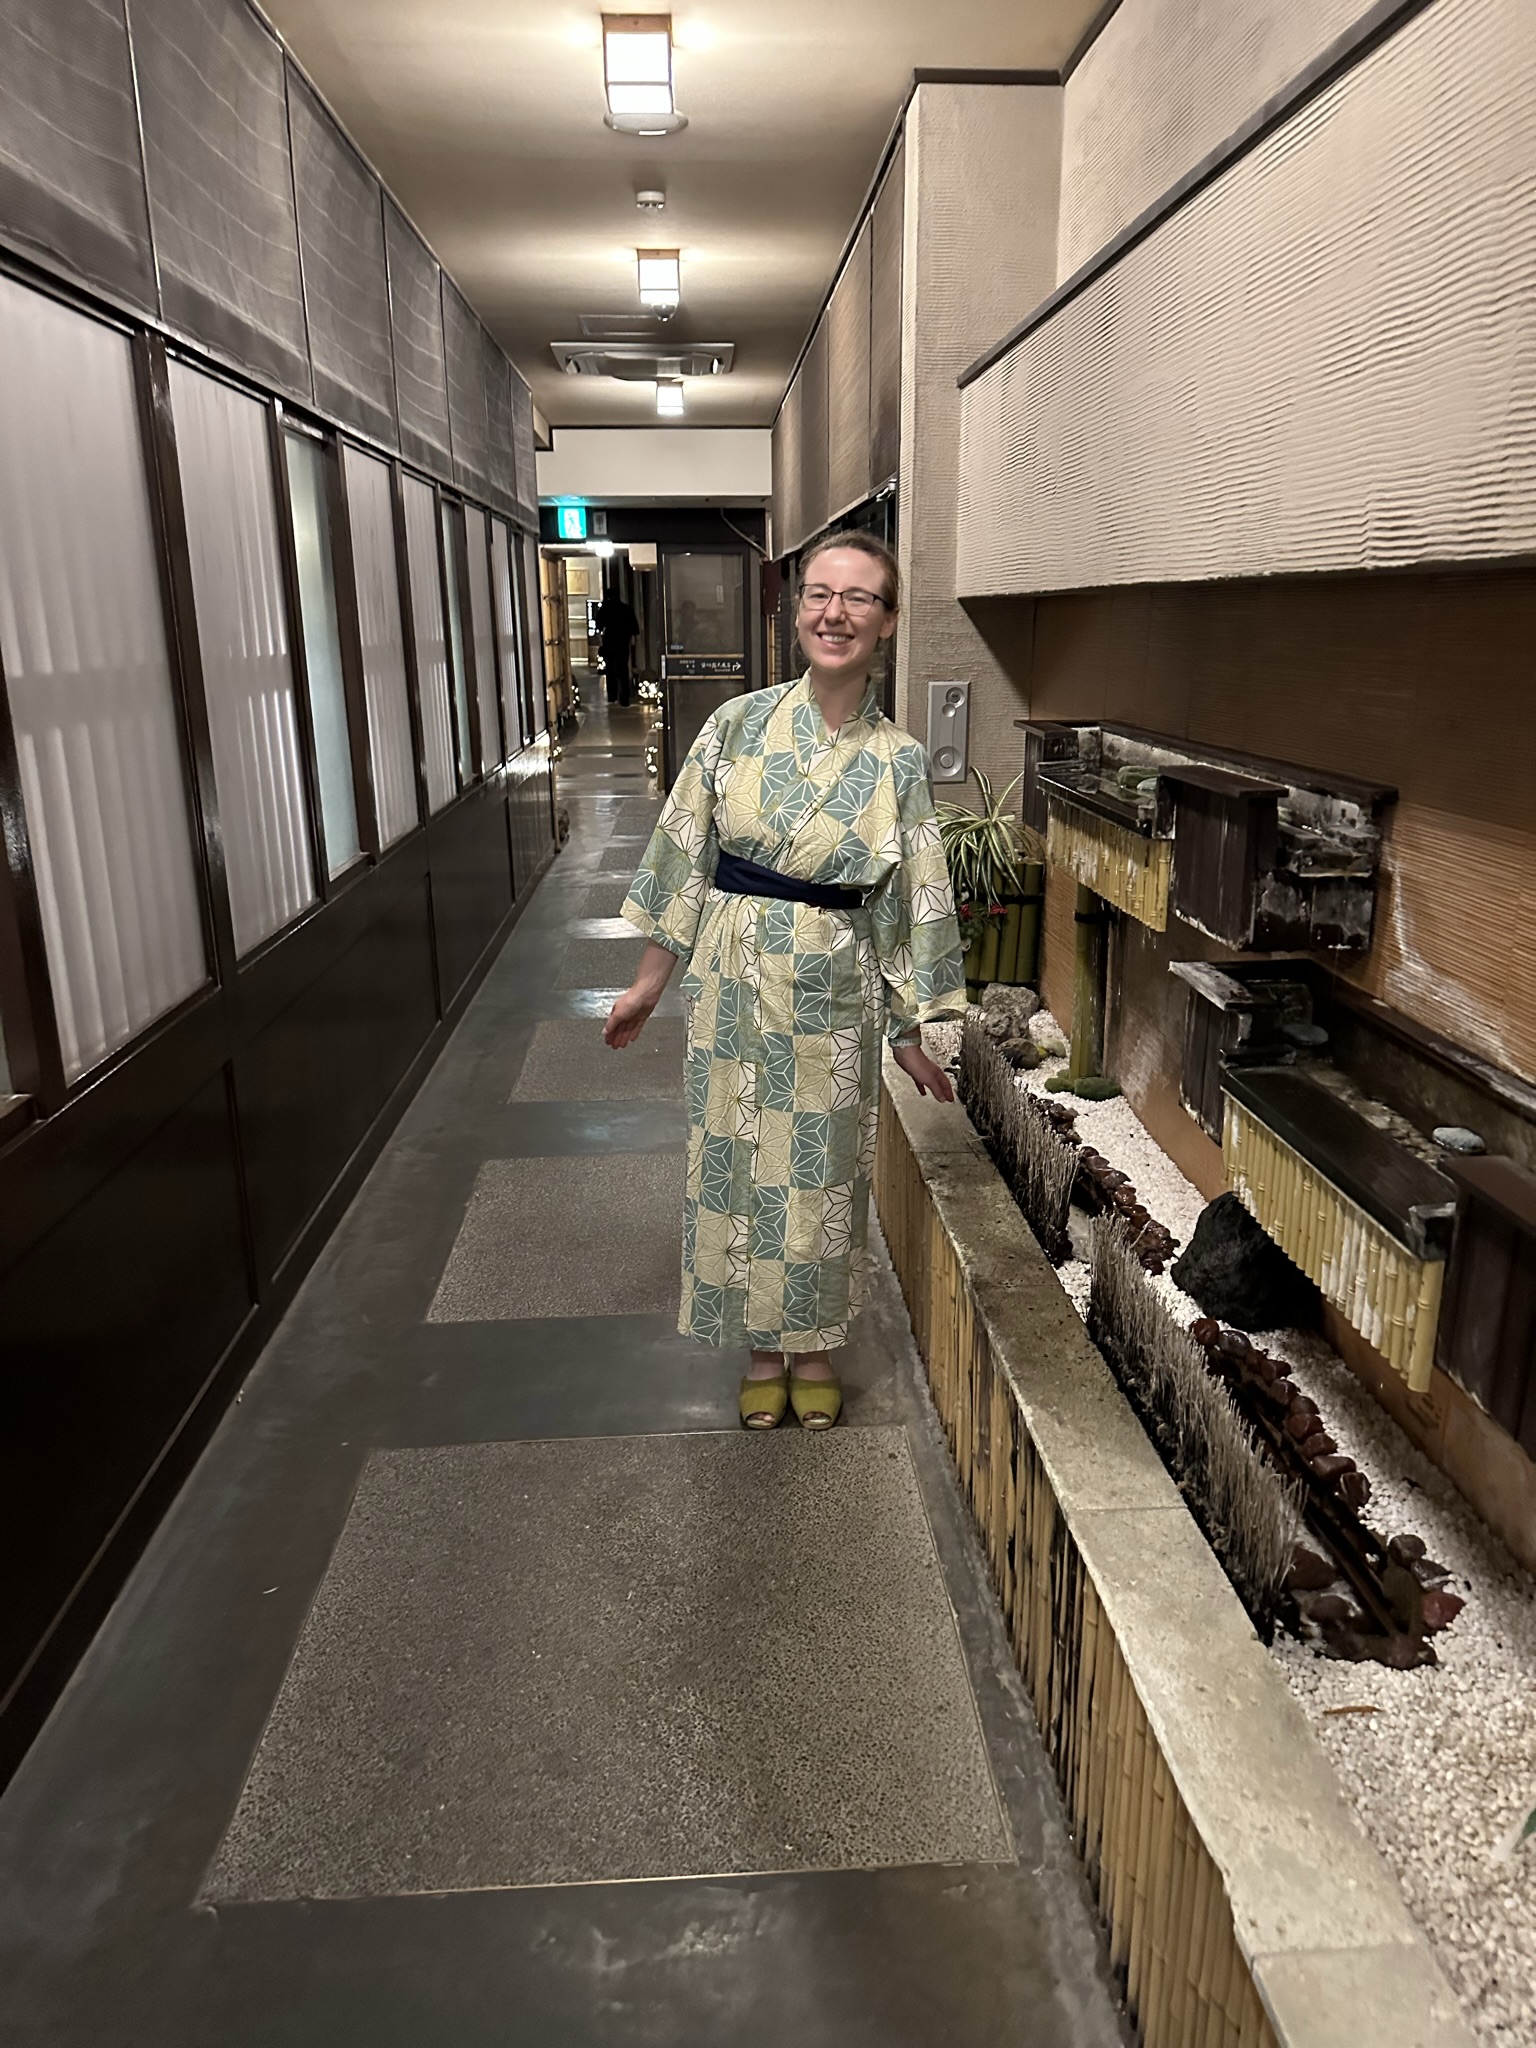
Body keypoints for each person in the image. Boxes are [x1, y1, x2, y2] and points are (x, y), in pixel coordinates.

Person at [604, 532, 964, 1429]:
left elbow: (912, 895)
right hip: (732, 975)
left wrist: (909, 1031)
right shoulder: (737, 725)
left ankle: (811, 1347)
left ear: (887, 621)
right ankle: (760, 1349)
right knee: (734, 1160)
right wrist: (648, 984)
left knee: (818, 1170)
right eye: (819, 595)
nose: (835, 614)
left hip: (834, 983)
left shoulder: (898, 759)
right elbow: (684, 854)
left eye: (859, 598)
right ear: (797, 610)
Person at [592, 581, 640, 707]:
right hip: (623, 643)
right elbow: (635, 629)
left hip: (609, 643)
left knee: (610, 670)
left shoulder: (604, 609)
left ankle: (612, 696)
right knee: (623, 670)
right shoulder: (627, 609)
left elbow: (598, 625)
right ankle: (625, 698)